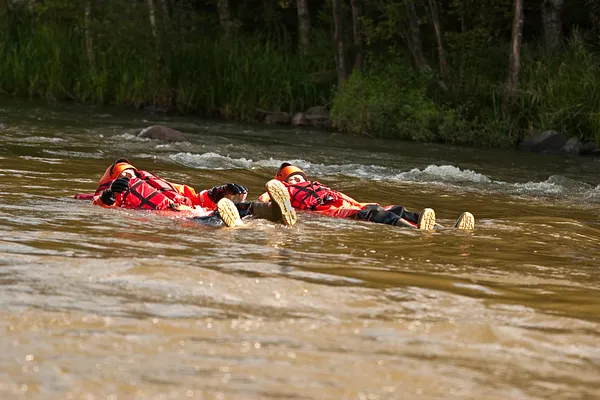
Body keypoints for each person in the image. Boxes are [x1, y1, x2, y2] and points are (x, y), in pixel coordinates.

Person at [257, 163, 475, 230]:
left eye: (298, 178)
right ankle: (417, 231)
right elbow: (266, 201)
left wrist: (362, 204)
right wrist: (276, 198)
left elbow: (345, 197)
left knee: (396, 209)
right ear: (283, 181)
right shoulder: (281, 188)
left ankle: (442, 228)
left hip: (350, 205)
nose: (296, 182)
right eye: (291, 180)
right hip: (333, 213)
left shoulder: (315, 185)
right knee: (376, 214)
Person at [85, 158, 296, 227]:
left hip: (189, 208)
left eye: (132, 173)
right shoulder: (112, 191)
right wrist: (109, 195)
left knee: (239, 207)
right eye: (125, 175)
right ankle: (226, 220)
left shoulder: (160, 184)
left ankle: (275, 212)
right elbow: (97, 205)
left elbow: (196, 197)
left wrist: (221, 190)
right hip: (174, 216)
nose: (131, 177)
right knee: (212, 216)